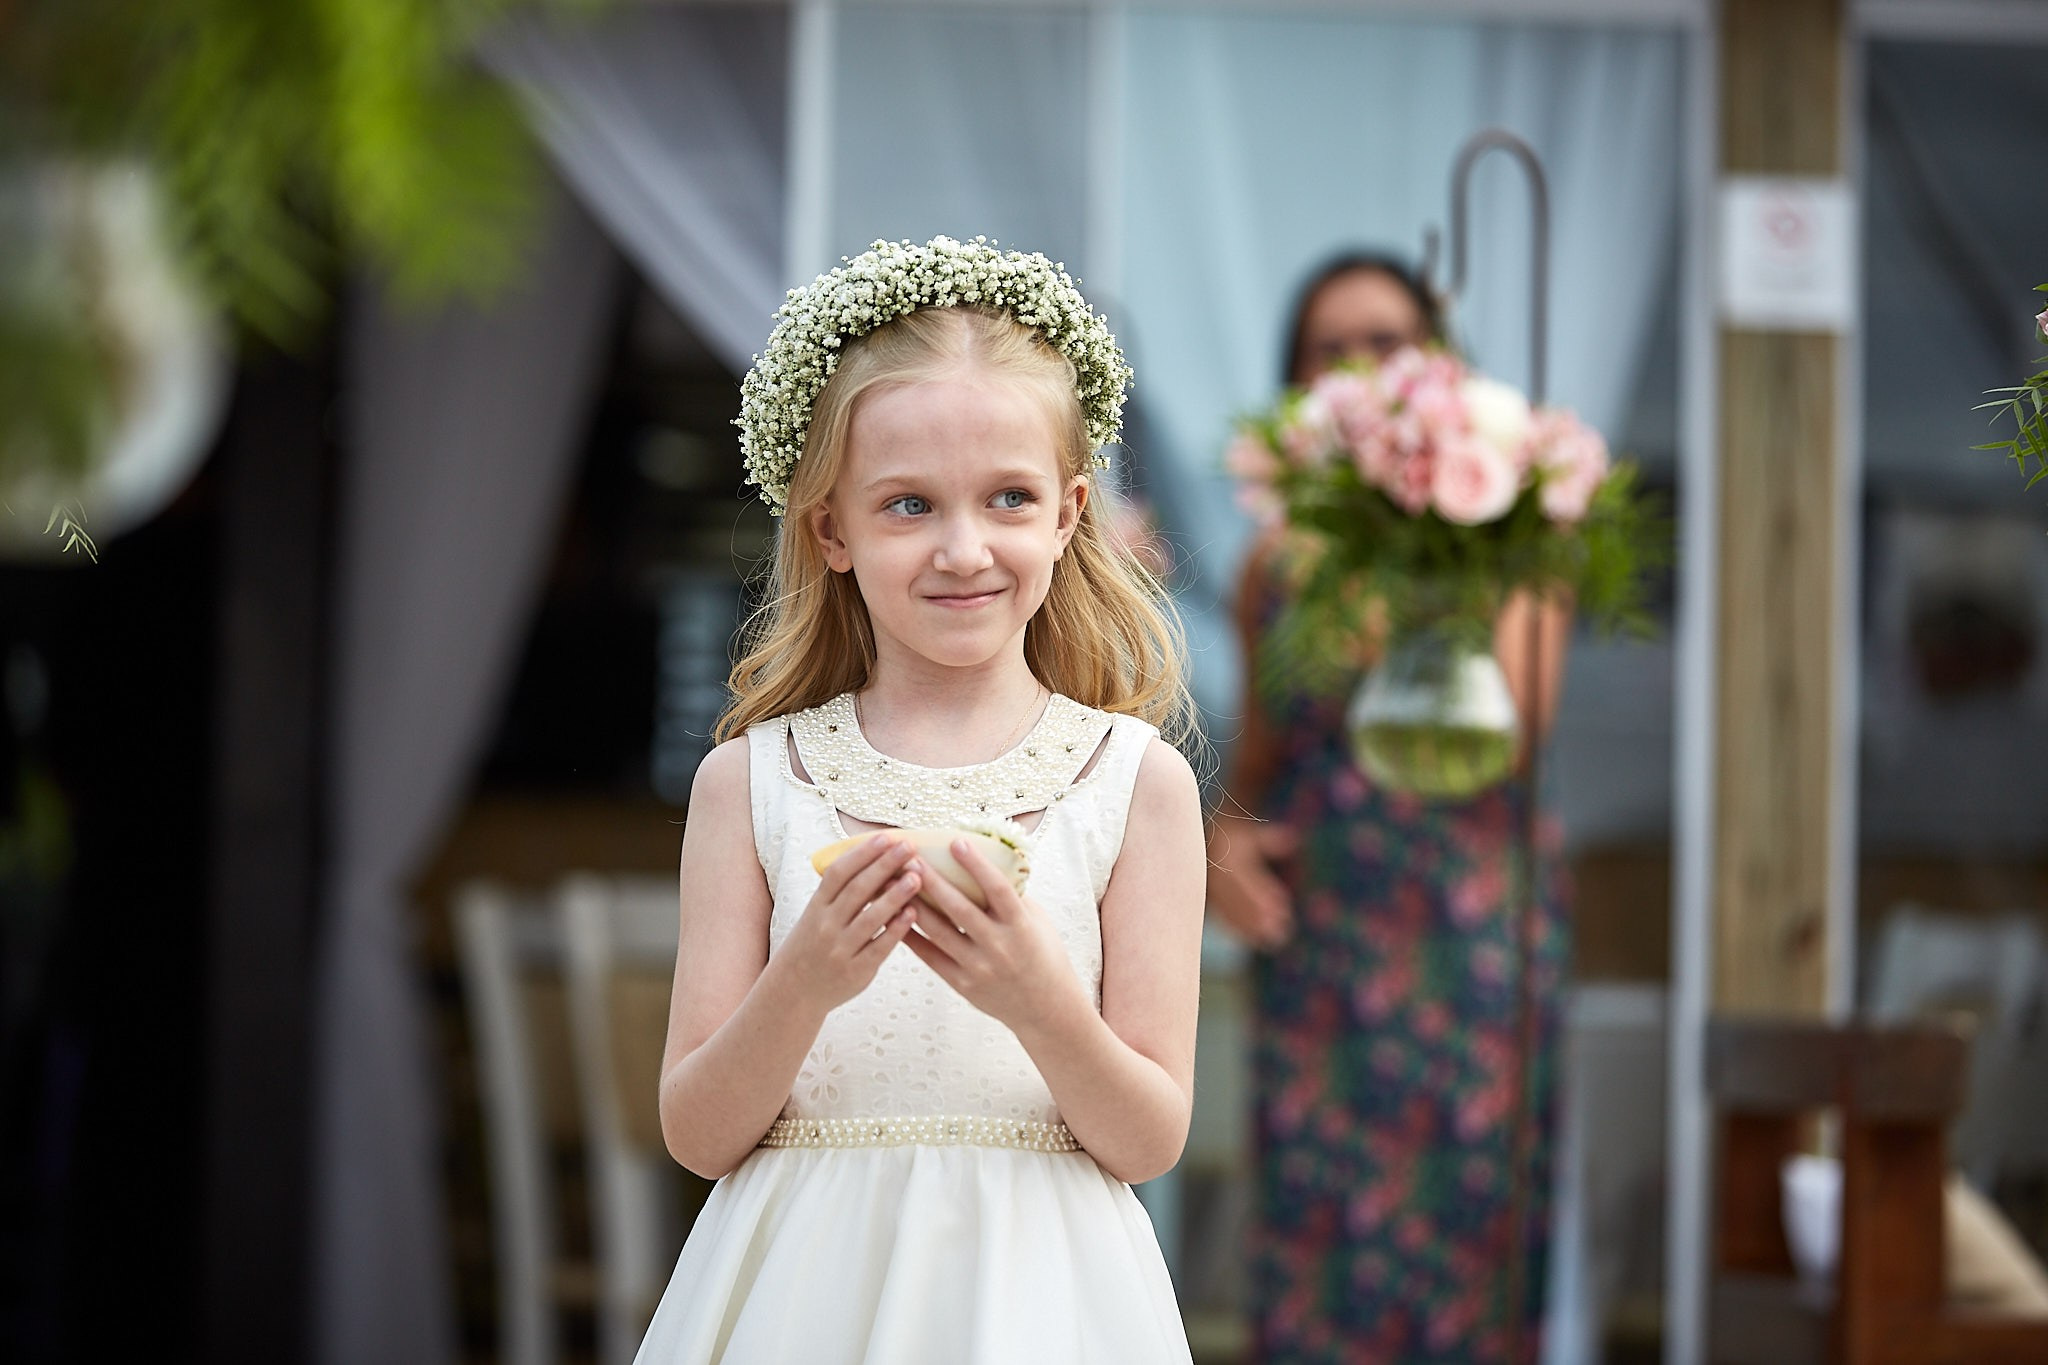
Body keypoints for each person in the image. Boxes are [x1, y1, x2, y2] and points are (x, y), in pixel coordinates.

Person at [635, 237, 1206, 1363]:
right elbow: (697, 1137)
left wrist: (1036, 997)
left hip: (1044, 1299)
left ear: (1068, 512)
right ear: (831, 530)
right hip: (805, 1295)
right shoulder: (750, 783)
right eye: (907, 505)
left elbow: (1147, 1141)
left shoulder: (1134, 784)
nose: (962, 548)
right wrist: (805, 979)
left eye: (1007, 497)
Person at [1208, 252, 1573, 1363]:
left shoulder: (1510, 533)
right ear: (1297, 387)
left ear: (1438, 371)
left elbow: (1517, 721)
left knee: (1470, 1231)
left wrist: (1422, 538)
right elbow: (1257, 760)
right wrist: (1223, 845)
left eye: (1387, 345)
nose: (1360, 369)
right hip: (1324, 935)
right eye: (1332, 350)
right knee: (1317, 1243)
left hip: (1470, 931)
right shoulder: (1272, 559)